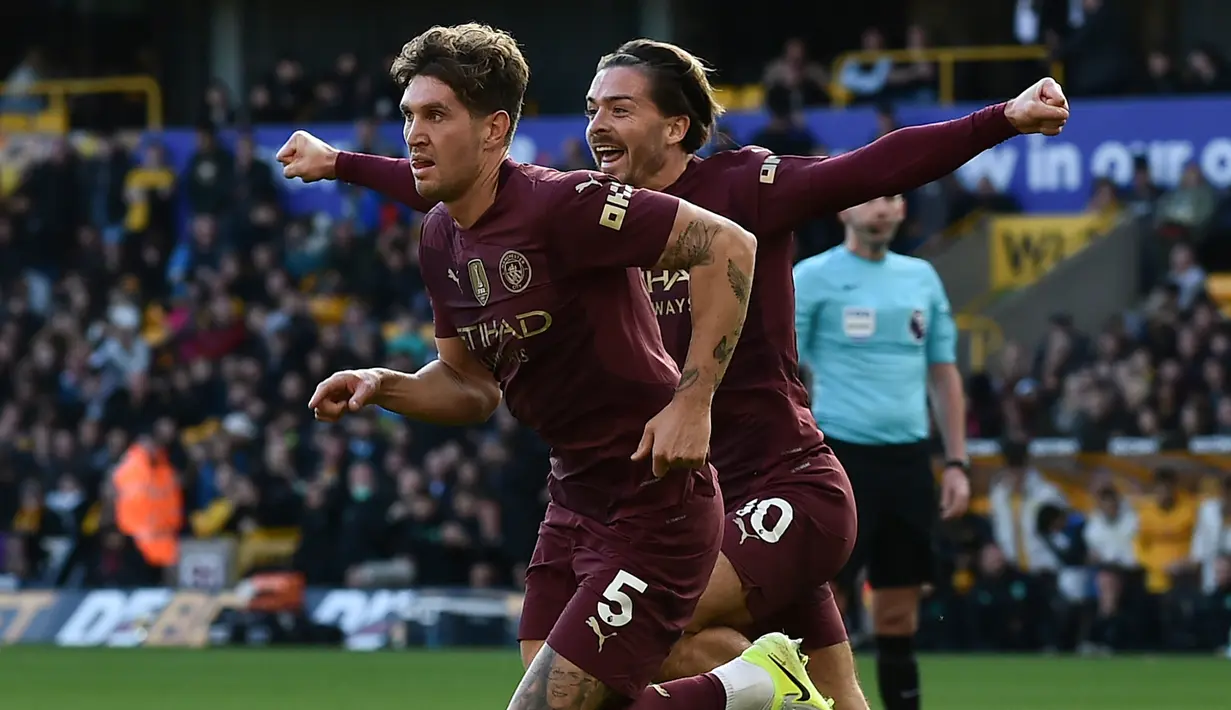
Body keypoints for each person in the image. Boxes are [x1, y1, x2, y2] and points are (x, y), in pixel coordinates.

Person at [278, 39, 1071, 710]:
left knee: (635, 647)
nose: (596, 124)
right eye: (590, 108)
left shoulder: (735, 189)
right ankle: (763, 684)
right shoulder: (579, 212)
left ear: (677, 124)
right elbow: (452, 191)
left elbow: (868, 168)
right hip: (675, 481)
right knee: (808, 696)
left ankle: (753, 686)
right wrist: (339, 165)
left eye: (618, 108)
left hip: (774, 483)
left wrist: (1000, 118)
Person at [291, 24, 826, 710]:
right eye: (407, 116)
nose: (413, 135)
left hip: (654, 504)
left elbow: (727, 245)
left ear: (494, 130)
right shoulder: (438, 238)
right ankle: (752, 688)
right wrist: (383, 386)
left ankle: (754, 687)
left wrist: (692, 402)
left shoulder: (563, 204)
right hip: (572, 504)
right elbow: (470, 387)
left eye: (435, 115)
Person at [793, 194, 969, 710]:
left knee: (898, 615)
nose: (884, 207)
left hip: (909, 461)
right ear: (843, 209)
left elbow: (943, 372)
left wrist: (956, 462)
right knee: (824, 605)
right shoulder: (812, 277)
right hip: (839, 459)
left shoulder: (921, 277)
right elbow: (783, 369)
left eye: (894, 197)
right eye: (871, 197)